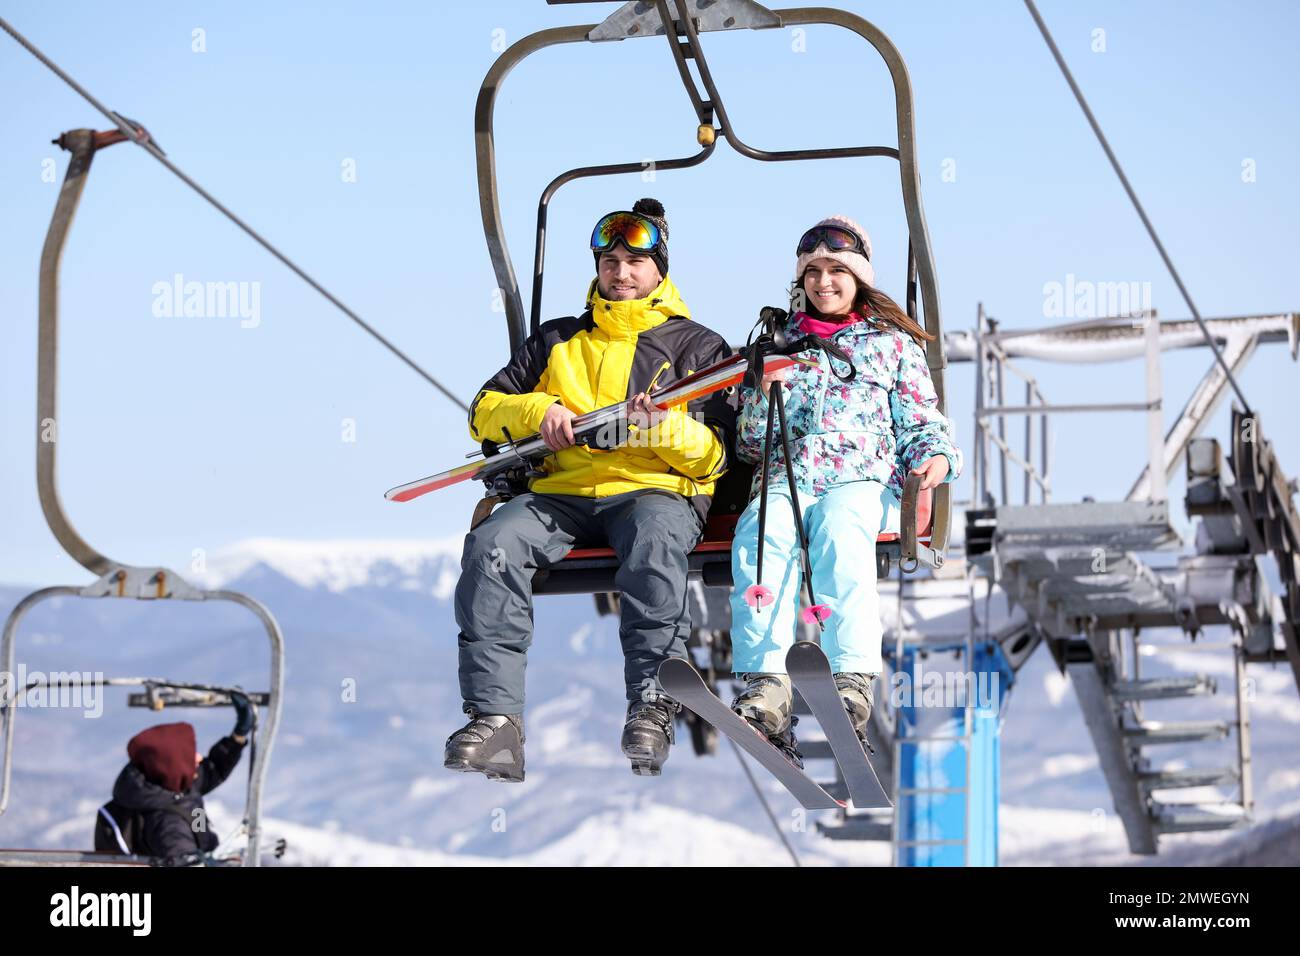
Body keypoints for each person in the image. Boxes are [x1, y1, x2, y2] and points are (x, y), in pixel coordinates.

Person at [445, 198, 736, 781]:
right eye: (609, 261)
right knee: (493, 548)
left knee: (654, 547)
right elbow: (484, 411)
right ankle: (497, 719)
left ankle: (652, 703)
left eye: (634, 261)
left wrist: (664, 428)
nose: (620, 273)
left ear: (660, 269)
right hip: (564, 492)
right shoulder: (556, 340)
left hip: (655, 489)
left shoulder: (697, 348)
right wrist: (538, 411)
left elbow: (721, 453)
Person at [729, 215, 963, 764]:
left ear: (858, 278)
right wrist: (763, 392)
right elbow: (748, 442)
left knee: (840, 532)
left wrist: (933, 458)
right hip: (788, 478)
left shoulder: (890, 345)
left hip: (863, 479)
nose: (823, 282)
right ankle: (767, 687)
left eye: (836, 270)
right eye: (813, 271)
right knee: (759, 537)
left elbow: (922, 420)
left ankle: (851, 679)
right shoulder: (777, 345)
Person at [94, 692, 254, 862]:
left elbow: (213, 769)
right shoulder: (169, 825)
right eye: (190, 755)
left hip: (206, 850)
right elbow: (186, 860)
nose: (198, 758)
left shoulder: (172, 785)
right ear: (174, 767)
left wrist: (238, 735)